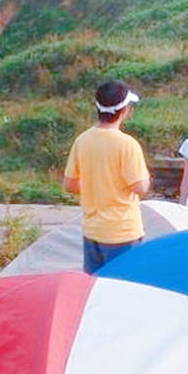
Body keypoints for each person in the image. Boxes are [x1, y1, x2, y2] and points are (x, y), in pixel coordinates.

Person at [64, 79, 150, 272]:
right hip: (123, 232)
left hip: (92, 231)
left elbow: (69, 184)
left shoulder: (82, 140)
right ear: (125, 111)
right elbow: (139, 187)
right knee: (125, 289)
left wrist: (96, 186)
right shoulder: (127, 145)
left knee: (96, 290)